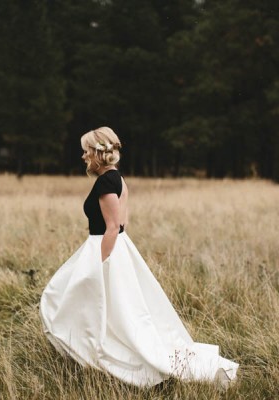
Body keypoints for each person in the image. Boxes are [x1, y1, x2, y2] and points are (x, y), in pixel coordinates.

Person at [39, 127, 239, 388]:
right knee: (109, 310)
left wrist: (99, 266)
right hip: (116, 248)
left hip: (106, 250)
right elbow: (124, 223)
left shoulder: (105, 183)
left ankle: (105, 360)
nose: (83, 155)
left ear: (100, 152)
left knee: (67, 300)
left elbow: (113, 227)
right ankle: (91, 357)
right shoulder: (117, 179)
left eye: (87, 150)